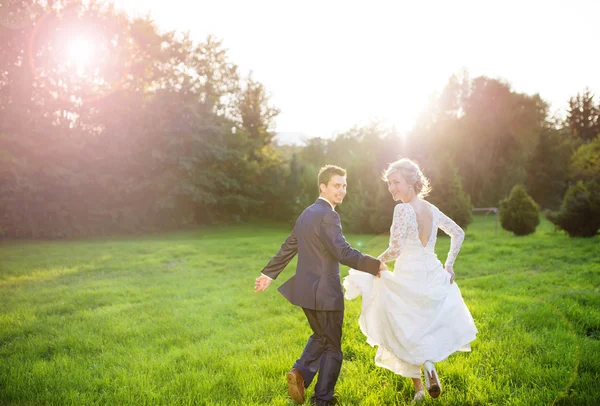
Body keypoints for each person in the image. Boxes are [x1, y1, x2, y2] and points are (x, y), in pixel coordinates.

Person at [343, 158, 477, 403]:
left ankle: (419, 389)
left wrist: (373, 263)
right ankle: (427, 367)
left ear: (411, 182)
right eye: (389, 183)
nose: (391, 188)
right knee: (422, 327)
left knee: (405, 327)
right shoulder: (432, 210)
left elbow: (395, 249)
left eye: (396, 182)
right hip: (433, 273)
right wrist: (448, 265)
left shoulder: (403, 209)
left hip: (409, 275)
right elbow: (458, 233)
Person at [254, 164, 387, 406]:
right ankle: (322, 400)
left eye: (344, 185)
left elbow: (288, 246)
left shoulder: (306, 213)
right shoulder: (329, 215)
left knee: (321, 336)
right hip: (326, 294)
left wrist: (268, 274)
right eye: (337, 185)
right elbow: (342, 251)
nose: (342, 190)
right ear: (323, 187)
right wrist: (374, 265)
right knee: (333, 348)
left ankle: (300, 373)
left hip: (306, 293)